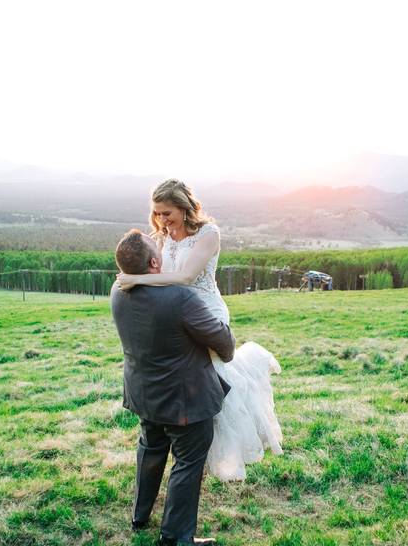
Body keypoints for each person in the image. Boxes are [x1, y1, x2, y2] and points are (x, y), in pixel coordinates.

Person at [116, 179, 283, 481]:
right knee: (190, 381)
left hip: (205, 313)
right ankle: (191, 453)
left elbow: (184, 277)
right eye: (157, 214)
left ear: (184, 207)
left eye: (167, 213)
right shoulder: (164, 236)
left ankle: (212, 456)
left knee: (210, 383)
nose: (162, 221)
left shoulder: (209, 234)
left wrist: (136, 279)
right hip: (175, 315)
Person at [110, 229, 235, 546]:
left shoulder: (118, 290)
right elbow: (223, 344)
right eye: (160, 250)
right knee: (188, 460)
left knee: (150, 449)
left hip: (144, 392)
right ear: (154, 262)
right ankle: (175, 535)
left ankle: (139, 515)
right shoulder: (180, 298)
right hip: (184, 398)